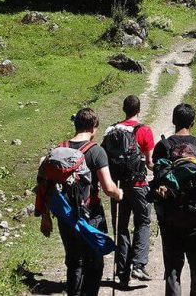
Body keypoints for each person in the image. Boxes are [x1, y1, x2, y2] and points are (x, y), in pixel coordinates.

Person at [152, 103, 196, 296]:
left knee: (173, 268)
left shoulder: (163, 146)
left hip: (170, 216)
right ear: (193, 121)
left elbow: (156, 179)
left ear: (173, 121)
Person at [57, 108, 123, 296]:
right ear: (93, 127)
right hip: (90, 215)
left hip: (66, 215)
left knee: (73, 262)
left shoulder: (60, 149)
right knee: (94, 264)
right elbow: (109, 188)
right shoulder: (96, 151)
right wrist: (119, 194)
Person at [114, 95, 155, 287]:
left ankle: (122, 272)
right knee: (143, 223)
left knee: (121, 227)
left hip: (119, 187)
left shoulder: (112, 130)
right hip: (138, 186)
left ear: (123, 109)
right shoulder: (144, 130)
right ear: (139, 110)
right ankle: (138, 264)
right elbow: (149, 163)